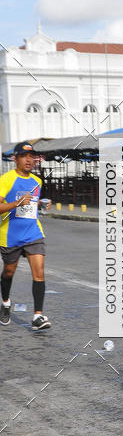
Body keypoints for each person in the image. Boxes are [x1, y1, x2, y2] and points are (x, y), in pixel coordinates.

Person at [0, 141, 52, 330]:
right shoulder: (5, 179)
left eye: (32, 156)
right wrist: (17, 203)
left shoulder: (37, 181)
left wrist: (42, 205)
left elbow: (31, 204)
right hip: (10, 235)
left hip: (33, 233)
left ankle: (38, 316)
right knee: (8, 272)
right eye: (24, 156)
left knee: (39, 273)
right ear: (15, 159)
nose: (29, 160)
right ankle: (5, 302)